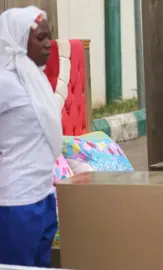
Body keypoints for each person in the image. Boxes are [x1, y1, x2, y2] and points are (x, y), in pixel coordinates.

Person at [0, 6, 62, 267]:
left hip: (44, 196)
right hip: (16, 203)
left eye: (49, 36)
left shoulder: (33, 77)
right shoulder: (5, 81)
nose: (49, 44)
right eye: (40, 38)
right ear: (16, 39)